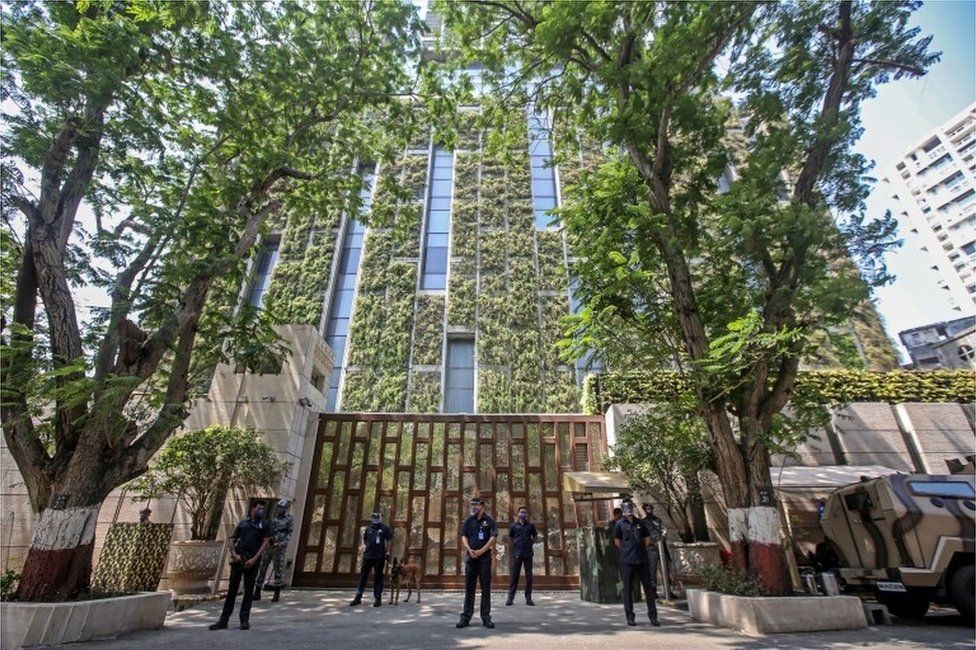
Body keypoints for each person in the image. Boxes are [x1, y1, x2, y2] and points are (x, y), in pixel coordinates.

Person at [210, 501, 272, 631]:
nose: (261, 511)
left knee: (248, 591)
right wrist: (233, 555)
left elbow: (265, 543)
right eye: (259, 508)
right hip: (239, 559)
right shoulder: (243, 524)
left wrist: (254, 559)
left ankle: (244, 620)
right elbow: (232, 539)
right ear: (253, 509)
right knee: (232, 591)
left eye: (263, 509)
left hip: (252, 561)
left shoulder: (264, 525)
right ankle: (223, 620)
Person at [614, 501, 659, 627]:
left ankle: (653, 616)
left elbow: (647, 539)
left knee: (648, 589)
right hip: (627, 561)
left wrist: (640, 549)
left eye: (630, 508)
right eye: (626, 509)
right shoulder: (619, 524)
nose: (628, 511)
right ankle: (630, 617)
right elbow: (617, 541)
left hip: (642, 560)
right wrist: (626, 551)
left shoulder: (640, 523)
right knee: (628, 590)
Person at [457, 497, 498, 629]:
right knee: (469, 588)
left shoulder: (489, 521)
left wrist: (481, 551)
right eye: (472, 505)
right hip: (471, 559)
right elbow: (464, 536)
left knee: (485, 588)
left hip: (484, 559)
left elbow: (493, 537)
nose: (473, 507)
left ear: (482, 506)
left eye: (476, 505)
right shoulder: (469, 520)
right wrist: (469, 549)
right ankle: (466, 617)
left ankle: (485, 617)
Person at [254, 497, 294, 602]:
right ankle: (257, 591)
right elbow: (270, 530)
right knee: (263, 567)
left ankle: (276, 594)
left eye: (282, 507)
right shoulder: (274, 518)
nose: (280, 509)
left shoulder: (289, 519)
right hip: (270, 546)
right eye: (279, 507)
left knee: (278, 570)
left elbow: (289, 533)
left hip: (280, 548)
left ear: (286, 508)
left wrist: (282, 543)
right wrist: (270, 539)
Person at [350, 512, 392, 607]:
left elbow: (389, 540)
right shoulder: (368, 529)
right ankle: (358, 597)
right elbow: (365, 541)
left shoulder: (384, 528)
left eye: (377, 517)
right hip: (368, 556)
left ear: (380, 518)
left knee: (378, 577)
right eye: (374, 518)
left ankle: (378, 598)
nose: (375, 519)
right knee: (363, 577)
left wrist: (387, 552)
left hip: (379, 557)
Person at [506, 505, 538, 606]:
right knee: (514, 576)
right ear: (518, 514)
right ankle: (510, 598)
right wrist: (516, 544)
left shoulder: (530, 525)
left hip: (528, 553)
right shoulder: (514, 526)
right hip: (517, 553)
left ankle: (528, 598)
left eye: (525, 512)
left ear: (527, 514)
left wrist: (530, 543)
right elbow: (510, 537)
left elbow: (535, 536)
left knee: (529, 577)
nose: (523, 514)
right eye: (521, 512)